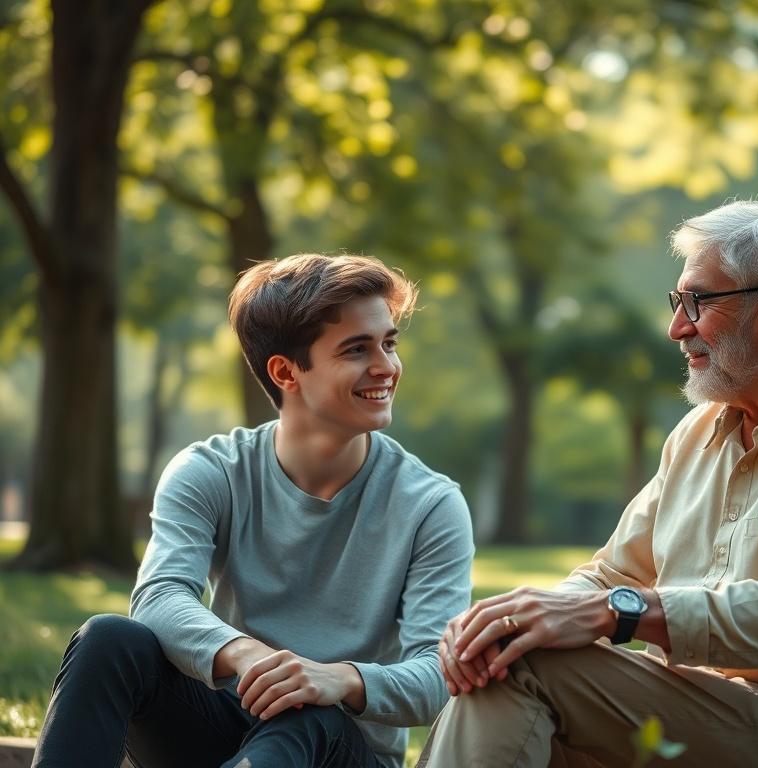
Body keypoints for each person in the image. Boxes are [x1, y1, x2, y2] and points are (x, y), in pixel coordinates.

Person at [419, 201, 758, 768]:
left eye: (698, 302)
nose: (677, 327)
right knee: (507, 661)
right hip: (692, 710)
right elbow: (614, 574)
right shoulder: (698, 431)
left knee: (528, 671)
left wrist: (621, 612)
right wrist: (513, 621)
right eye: (678, 303)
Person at [33, 253, 474, 768]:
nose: (387, 366)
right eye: (357, 349)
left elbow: (438, 677)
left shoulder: (431, 504)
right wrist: (250, 658)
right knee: (109, 639)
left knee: (311, 712)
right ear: (286, 372)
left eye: (389, 343)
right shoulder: (210, 471)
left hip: (338, 749)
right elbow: (158, 596)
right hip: (227, 724)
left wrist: (339, 679)